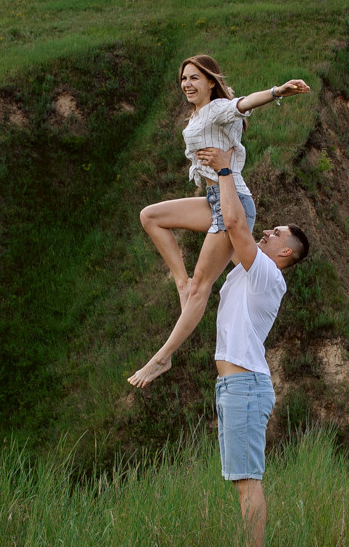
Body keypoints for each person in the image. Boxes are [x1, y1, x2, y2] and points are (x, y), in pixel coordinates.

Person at [127, 55, 309, 387]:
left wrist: (277, 91)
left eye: (194, 78)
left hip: (233, 201)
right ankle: (180, 282)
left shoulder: (219, 108)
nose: (187, 84)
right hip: (214, 199)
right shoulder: (197, 116)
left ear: (211, 82)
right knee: (150, 216)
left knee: (202, 285)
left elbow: (244, 102)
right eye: (183, 79)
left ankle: (162, 358)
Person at [193, 145, 311, 547]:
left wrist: (226, 168)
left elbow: (238, 224)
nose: (268, 233)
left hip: (243, 386)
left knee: (248, 484)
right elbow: (226, 229)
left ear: (285, 254)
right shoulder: (249, 270)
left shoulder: (266, 274)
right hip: (233, 385)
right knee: (241, 482)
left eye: (276, 233)